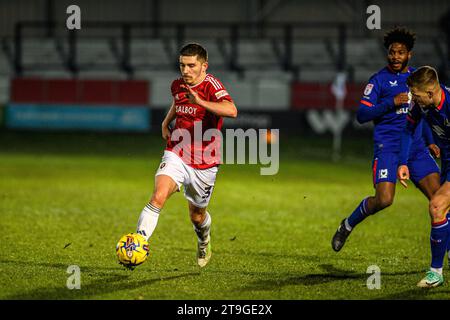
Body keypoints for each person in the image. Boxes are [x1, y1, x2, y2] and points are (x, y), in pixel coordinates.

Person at [331, 27, 441, 253]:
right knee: (384, 200)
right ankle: (347, 225)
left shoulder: (417, 80)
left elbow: (424, 111)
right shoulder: (379, 81)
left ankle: (443, 252)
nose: (396, 57)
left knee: (440, 200)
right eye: (392, 52)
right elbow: (362, 115)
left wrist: (430, 140)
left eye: (401, 52)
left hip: (416, 148)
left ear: (409, 54)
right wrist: (391, 103)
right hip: (388, 148)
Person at [134, 43, 237, 268]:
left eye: (191, 65)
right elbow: (178, 102)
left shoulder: (211, 85)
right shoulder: (178, 85)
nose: (186, 70)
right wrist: (166, 121)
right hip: (177, 152)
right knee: (158, 196)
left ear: (204, 66)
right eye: (182, 65)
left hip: (205, 162)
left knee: (197, 217)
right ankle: (137, 244)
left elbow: (232, 110)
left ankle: (203, 240)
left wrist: (200, 101)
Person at [398, 66, 450, 287]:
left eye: (416, 96)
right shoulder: (422, 105)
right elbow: (409, 130)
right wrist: (402, 162)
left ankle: (436, 272)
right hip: (447, 162)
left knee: (437, 206)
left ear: (430, 93)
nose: (414, 99)